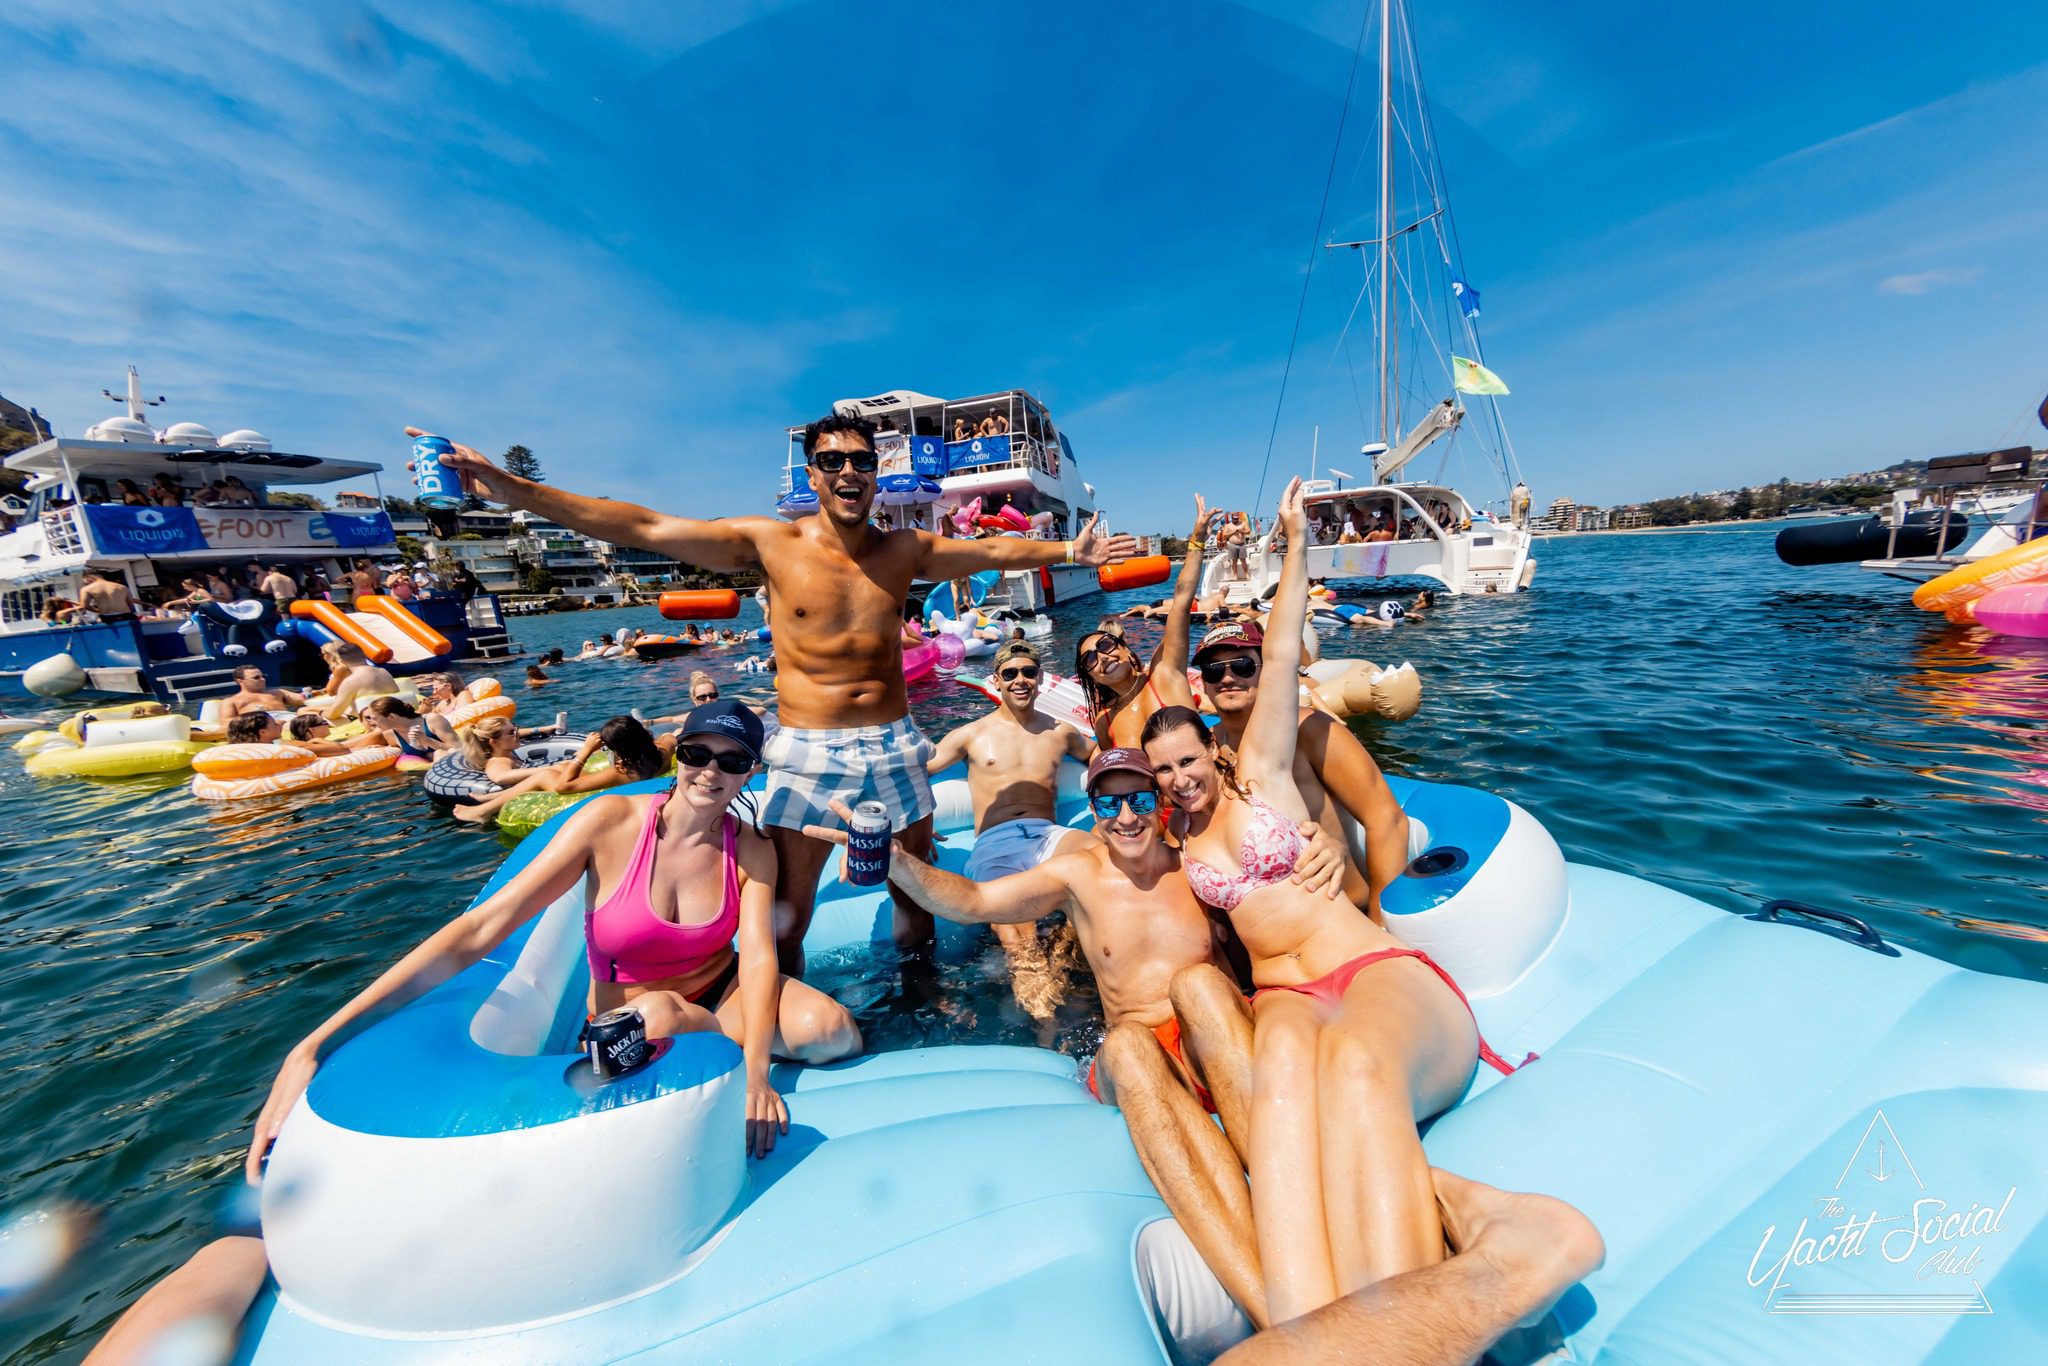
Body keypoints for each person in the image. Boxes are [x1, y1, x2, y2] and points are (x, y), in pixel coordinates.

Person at [426, 410, 1138, 976]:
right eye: (833, 461)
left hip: (894, 740)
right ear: (815, 473)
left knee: (914, 895)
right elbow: (641, 524)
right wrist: (514, 490)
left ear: (877, 473)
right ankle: (784, 1006)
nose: (850, 472)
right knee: (790, 909)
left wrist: (1069, 552)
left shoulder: (905, 550)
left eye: (863, 461)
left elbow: (991, 551)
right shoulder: (771, 544)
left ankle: (917, 998)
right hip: (809, 748)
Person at [1139, 478, 1528, 1324]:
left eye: (1188, 760)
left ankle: (1405, 1327)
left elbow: (1280, 655)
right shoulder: (1170, 839)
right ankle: (1306, 1325)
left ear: (1212, 746)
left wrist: (1293, 544)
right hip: (1284, 997)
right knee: (1279, 1111)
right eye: (1162, 770)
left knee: (1357, 1072)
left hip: (1365, 963)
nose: (1180, 777)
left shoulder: (1268, 778)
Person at [247, 701, 861, 1183]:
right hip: (630, 1014)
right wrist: (316, 1042)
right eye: (699, 752)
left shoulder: (748, 848)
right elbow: (481, 929)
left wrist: (755, 1074)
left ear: (750, 771)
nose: (712, 771)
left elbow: (757, 956)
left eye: (733, 761)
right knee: (654, 1014)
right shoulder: (609, 824)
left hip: (718, 992)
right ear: (678, 754)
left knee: (832, 1031)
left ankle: (718, 1053)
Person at [1192, 620, 1408, 917]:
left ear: (1267, 670)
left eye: (1242, 665)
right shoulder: (1207, 748)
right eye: (1214, 670)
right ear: (1203, 682)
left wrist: (1381, 920)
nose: (1227, 677)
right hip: (1266, 932)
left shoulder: (1311, 731)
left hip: (1343, 913)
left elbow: (1387, 820)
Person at [922, 641, 1095, 1001]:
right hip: (996, 841)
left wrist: (1101, 799)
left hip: (1048, 835)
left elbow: (1098, 757)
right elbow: (918, 771)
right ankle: (1043, 1012)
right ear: (996, 680)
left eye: (1029, 672)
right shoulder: (970, 735)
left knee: (1100, 862)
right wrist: (919, 822)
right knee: (1018, 934)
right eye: (1010, 673)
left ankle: (1072, 959)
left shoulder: (1060, 732)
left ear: (1040, 678)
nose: (1020, 680)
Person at [1076, 496, 1214, 749]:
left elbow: (1182, 601)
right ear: (1091, 676)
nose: (1102, 658)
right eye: (1089, 659)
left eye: (1106, 646)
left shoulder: (1165, 674)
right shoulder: (1105, 722)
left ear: (1126, 650)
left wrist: (1198, 538)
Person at [452, 714, 678, 825]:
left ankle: (484, 811)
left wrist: (586, 752)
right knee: (556, 768)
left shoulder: (622, 772)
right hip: (643, 766)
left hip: (601, 792)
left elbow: (563, 787)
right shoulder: (661, 754)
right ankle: (496, 796)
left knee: (545, 775)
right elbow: (670, 736)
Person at [319, 643, 399, 719]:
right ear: (364, 656)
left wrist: (321, 713)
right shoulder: (383, 672)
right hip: (392, 714)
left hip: (367, 719)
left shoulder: (350, 681)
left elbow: (334, 714)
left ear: (342, 662)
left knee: (309, 710)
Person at [216, 665, 308, 726]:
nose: (262, 679)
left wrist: (314, 693)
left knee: (306, 711)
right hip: (259, 725)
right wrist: (260, 722)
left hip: (289, 720)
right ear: (240, 681)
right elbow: (226, 722)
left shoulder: (278, 692)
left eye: (263, 676)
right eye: (256, 678)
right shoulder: (231, 701)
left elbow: (304, 699)